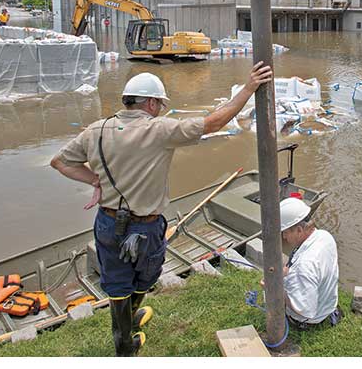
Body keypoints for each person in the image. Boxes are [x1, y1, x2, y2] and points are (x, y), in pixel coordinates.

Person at [50, 62, 273, 356]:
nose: (160, 109)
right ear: (152, 103)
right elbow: (214, 123)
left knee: (116, 282)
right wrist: (248, 88)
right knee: (145, 276)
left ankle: (126, 327)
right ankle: (125, 343)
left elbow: (60, 162)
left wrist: (95, 179)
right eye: (160, 104)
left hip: (106, 222)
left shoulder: (96, 130)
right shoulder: (160, 130)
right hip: (144, 226)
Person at [277, 197, 341, 330]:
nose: (284, 237)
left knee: (271, 295)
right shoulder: (324, 236)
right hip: (327, 305)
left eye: (286, 232)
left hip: (310, 319)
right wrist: (287, 272)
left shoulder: (304, 266)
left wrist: (275, 290)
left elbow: (305, 310)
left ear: (299, 230)